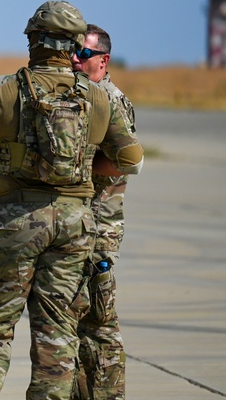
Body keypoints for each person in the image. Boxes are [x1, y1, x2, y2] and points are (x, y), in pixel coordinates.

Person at [0, 1, 144, 400]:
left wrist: (4, 155)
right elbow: (131, 159)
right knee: (58, 332)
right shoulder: (100, 97)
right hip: (75, 226)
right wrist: (81, 162)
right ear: (72, 46)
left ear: (33, 41)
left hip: (15, 222)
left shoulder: (0, 90)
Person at [71, 24, 135, 400]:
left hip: (101, 226)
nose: (75, 61)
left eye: (83, 54)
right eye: (73, 53)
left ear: (103, 60)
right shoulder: (79, 98)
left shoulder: (111, 100)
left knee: (101, 324)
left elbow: (124, 162)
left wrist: (77, 168)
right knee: (72, 322)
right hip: (77, 224)